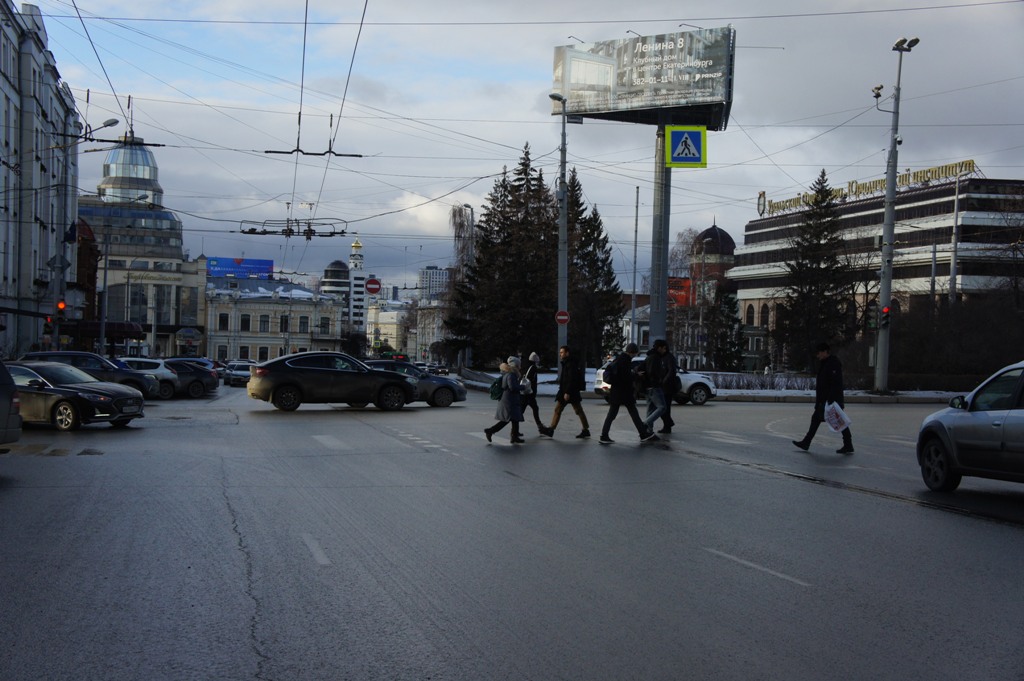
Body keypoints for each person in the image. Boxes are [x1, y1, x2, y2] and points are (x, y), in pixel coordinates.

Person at [793, 342, 854, 454]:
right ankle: (848, 444)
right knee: (834, 420)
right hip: (825, 400)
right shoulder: (825, 363)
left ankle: (806, 442)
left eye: (819, 353)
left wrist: (830, 399)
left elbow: (835, 383)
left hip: (830, 400)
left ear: (826, 352)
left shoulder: (833, 364)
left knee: (836, 421)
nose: (818, 355)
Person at [599, 343, 659, 444]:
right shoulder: (625, 361)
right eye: (635, 353)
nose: (635, 355)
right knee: (633, 413)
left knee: (612, 415)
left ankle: (604, 435)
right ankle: (643, 434)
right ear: (632, 352)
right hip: (624, 392)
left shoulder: (618, 359)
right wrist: (636, 375)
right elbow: (625, 377)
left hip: (616, 392)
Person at [541, 345, 590, 439]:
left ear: (567, 353)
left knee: (574, 410)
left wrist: (567, 392)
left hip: (568, 392)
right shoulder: (567, 362)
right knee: (565, 410)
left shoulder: (570, 364)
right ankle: (585, 429)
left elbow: (571, 379)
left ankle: (552, 429)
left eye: (562, 352)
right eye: (560, 352)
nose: (560, 354)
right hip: (568, 391)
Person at [485, 357, 525, 444]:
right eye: (519, 365)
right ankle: (490, 431)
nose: (520, 367)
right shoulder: (511, 374)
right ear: (516, 366)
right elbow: (512, 387)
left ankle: (514, 436)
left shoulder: (509, 373)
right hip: (509, 401)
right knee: (507, 419)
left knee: (515, 418)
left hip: (510, 400)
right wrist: (523, 387)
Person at [642, 339, 678, 434]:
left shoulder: (667, 358)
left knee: (661, 408)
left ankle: (666, 425)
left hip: (665, 387)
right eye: (664, 348)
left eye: (666, 348)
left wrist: (663, 381)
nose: (665, 350)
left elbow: (671, 371)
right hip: (658, 386)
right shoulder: (657, 357)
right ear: (660, 348)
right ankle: (665, 424)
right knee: (661, 407)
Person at [521, 351, 546, 434]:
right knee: (525, 410)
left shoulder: (526, 366)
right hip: (529, 393)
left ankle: (515, 430)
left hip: (526, 393)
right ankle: (540, 427)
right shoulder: (533, 368)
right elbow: (530, 380)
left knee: (524, 410)